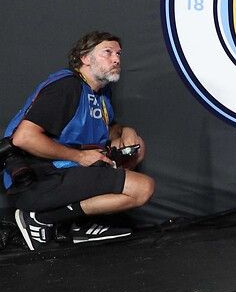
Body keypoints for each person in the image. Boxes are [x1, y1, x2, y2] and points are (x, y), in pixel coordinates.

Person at [2, 32, 155, 251]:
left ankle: (76, 224)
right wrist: (81, 156)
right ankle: (43, 218)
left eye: (118, 54)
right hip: (35, 180)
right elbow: (24, 138)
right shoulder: (67, 86)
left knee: (135, 146)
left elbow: (106, 129)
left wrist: (127, 131)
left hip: (66, 170)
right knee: (143, 188)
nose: (116, 59)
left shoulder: (101, 94)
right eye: (108, 52)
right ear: (85, 58)